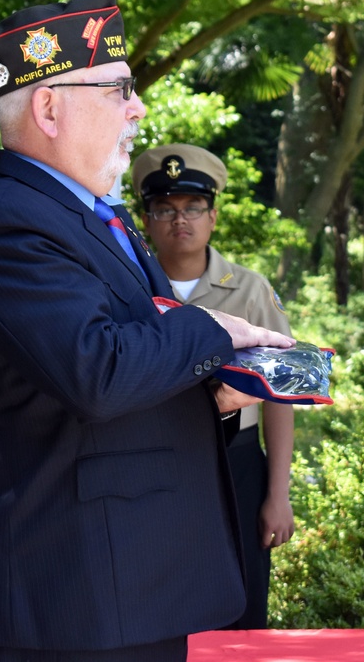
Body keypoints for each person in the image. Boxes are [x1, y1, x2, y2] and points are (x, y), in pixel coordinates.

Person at [0, 0, 293, 661]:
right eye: (116, 91)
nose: (137, 108)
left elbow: (132, 361)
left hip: (127, 585)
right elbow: (99, 371)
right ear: (49, 108)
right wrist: (212, 331)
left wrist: (215, 388)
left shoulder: (91, 216)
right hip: (73, 599)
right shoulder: (9, 223)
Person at [132, 143, 296, 630]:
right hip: (153, 460)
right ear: (146, 218)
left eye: (192, 208)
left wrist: (277, 493)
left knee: (241, 598)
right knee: (160, 600)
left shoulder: (250, 290)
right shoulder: (131, 291)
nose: (179, 220)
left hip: (237, 460)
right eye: (164, 208)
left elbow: (278, 395)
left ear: (213, 216)